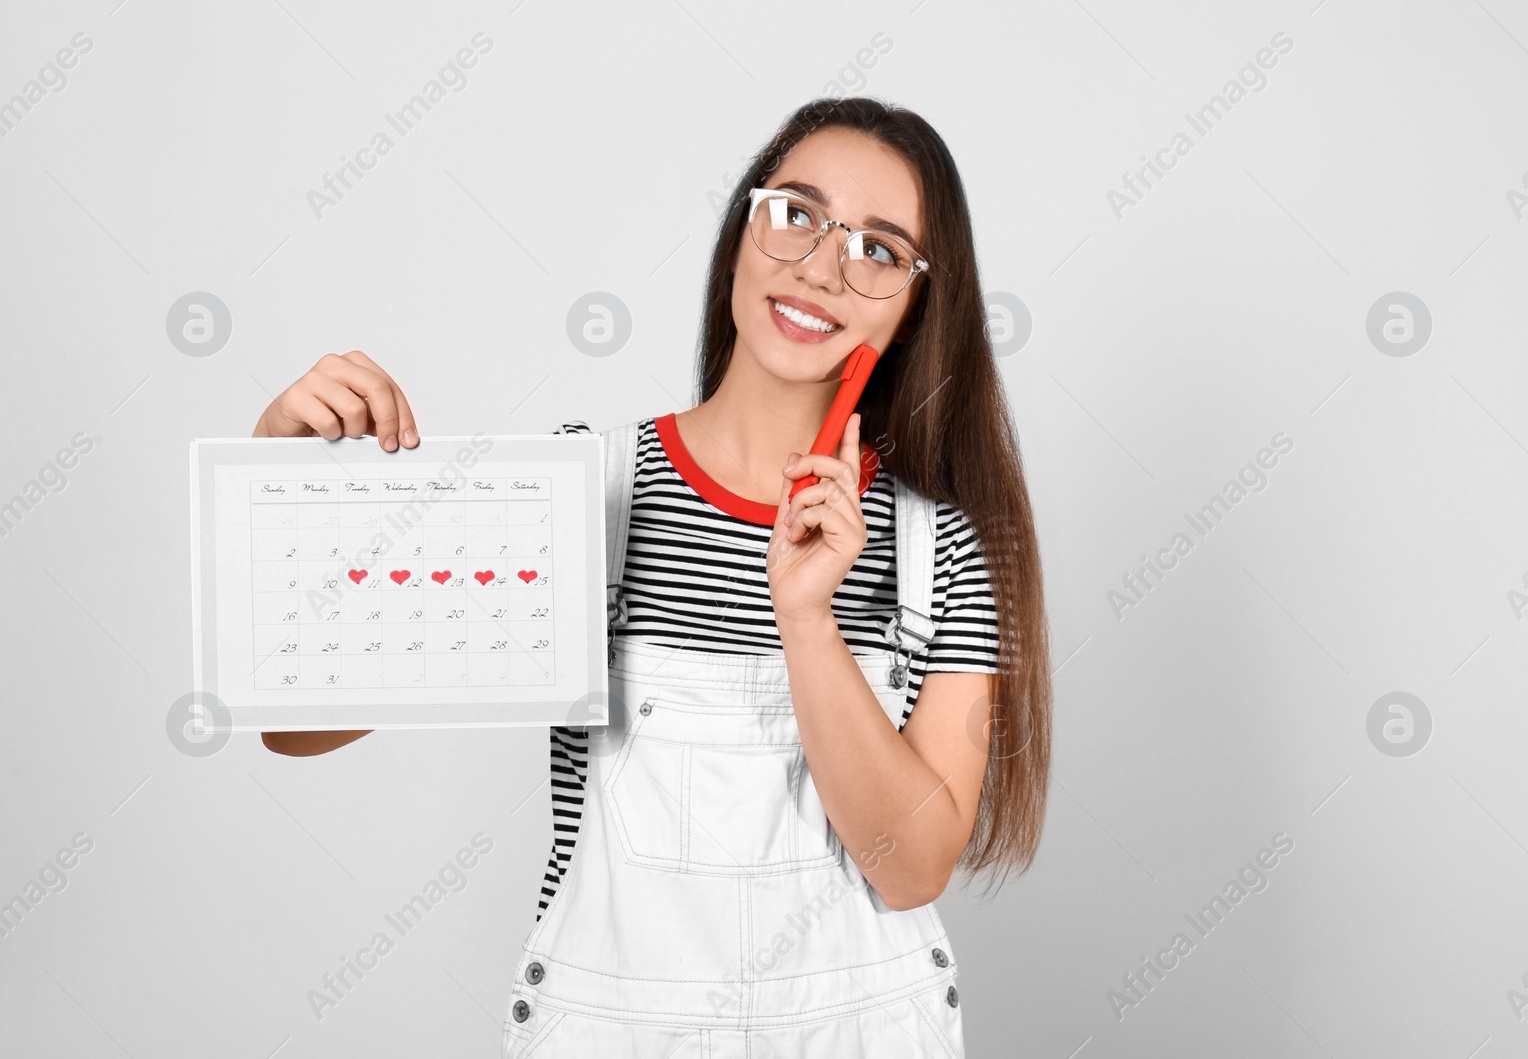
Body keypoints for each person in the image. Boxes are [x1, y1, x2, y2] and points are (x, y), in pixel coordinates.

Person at [253, 95, 1052, 1057]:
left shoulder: (946, 547)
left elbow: (913, 864)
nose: (821, 266)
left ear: (920, 301)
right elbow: (295, 725)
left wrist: (807, 618)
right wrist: (279, 476)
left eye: (879, 249)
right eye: (796, 213)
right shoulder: (577, 493)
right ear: (740, 236)